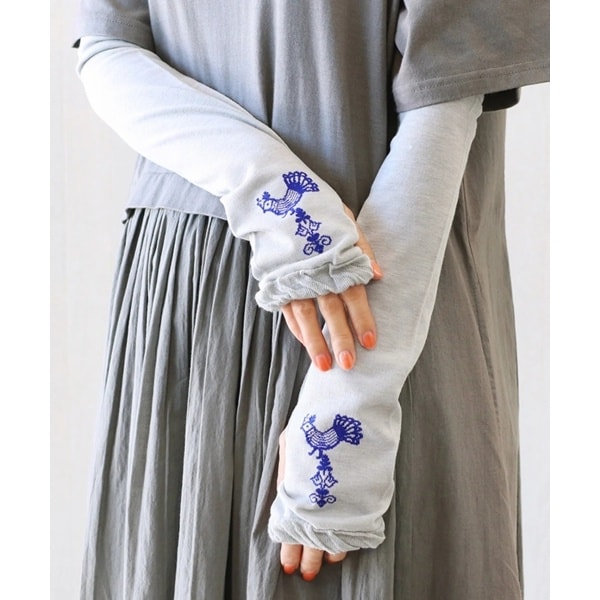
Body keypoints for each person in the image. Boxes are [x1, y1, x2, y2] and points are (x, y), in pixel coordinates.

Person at [73, 1, 549, 598]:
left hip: (385, 282)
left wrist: (351, 400)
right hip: (189, 305)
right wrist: (274, 192)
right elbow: (108, 48)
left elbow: (445, 102)